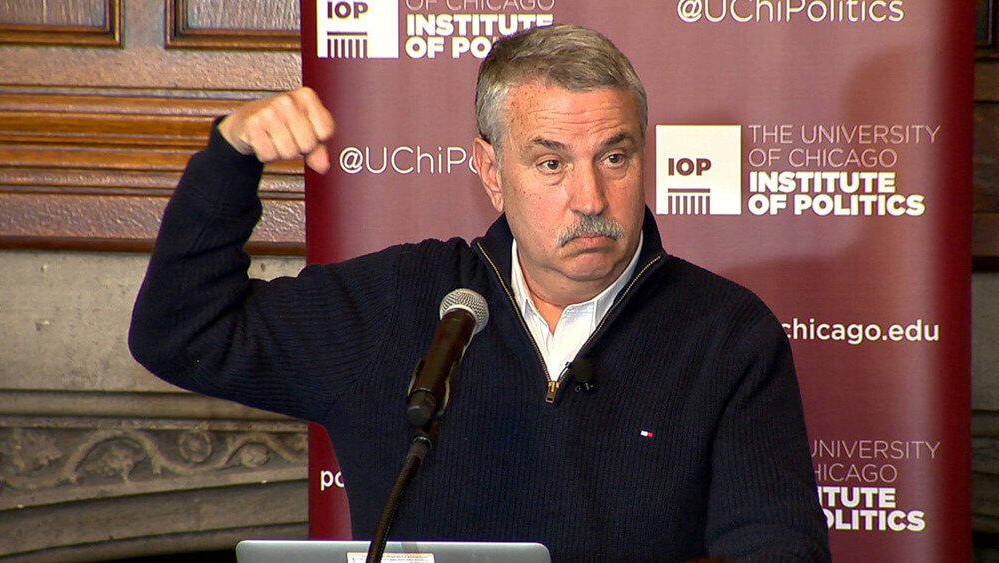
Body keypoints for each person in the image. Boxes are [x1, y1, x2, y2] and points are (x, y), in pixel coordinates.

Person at [130, 24, 831, 562]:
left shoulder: (726, 334)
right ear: (492, 173)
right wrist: (231, 157)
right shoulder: (399, 302)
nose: (591, 197)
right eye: (551, 163)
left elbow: (779, 549)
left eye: (614, 157)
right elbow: (182, 333)